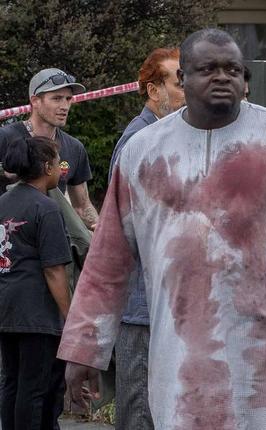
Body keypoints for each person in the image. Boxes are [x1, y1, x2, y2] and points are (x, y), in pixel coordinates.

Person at [56, 28, 266, 429]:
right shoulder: (144, 153)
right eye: (208, 68)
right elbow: (108, 259)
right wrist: (85, 347)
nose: (222, 77)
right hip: (184, 354)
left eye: (233, 69)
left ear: (244, 81)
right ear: (183, 78)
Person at [107, 46, 185, 430]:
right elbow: (127, 227)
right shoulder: (137, 142)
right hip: (141, 308)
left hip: (163, 306)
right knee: (139, 413)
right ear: (154, 91)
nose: (188, 90)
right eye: (179, 82)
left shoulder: (165, 137)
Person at [0, 136, 72, 430]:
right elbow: (54, 271)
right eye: (57, 163)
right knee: (36, 388)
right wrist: (70, 317)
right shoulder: (46, 208)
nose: (60, 170)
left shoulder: (3, 201)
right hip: (37, 314)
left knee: (12, 382)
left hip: (6, 308)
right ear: (46, 167)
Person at [0, 68, 99, 231]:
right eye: (57, 98)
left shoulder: (74, 148)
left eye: (68, 99)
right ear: (35, 101)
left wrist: (104, 234)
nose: (65, 106)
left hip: (52, 240)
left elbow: (82, 206)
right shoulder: (5, 138)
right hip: (9, 244)